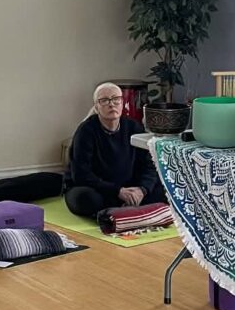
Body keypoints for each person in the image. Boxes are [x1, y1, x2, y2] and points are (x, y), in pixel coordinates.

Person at [63, 82, 164, 218]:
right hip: (98, 189)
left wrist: (142, 190)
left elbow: (150, 165)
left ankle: (124, 205)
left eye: (116, 99)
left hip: (130, 187)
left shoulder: (134, 127)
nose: (112, 104)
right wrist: (117, 191)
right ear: (97, 107)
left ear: (122, 103)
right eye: (104, 100)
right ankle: (125, 206)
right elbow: (81, 175)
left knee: (167, 190)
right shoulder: (86, 131)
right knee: (85, 199)